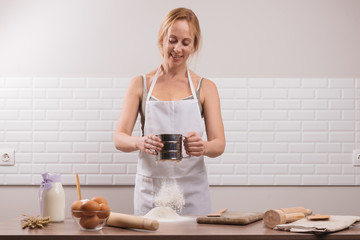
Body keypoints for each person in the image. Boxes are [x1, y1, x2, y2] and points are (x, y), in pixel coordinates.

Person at [113, 7, 225, 215]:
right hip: (151, 191)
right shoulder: (140, 85)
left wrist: (203, 146)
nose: (177, 49)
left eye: (185, 42)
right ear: (162, 38)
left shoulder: (206, 87)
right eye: (172, 40)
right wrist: (139, 142)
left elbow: (219, 144)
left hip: (192, 191)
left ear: (194, 45)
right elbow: (119, 138)